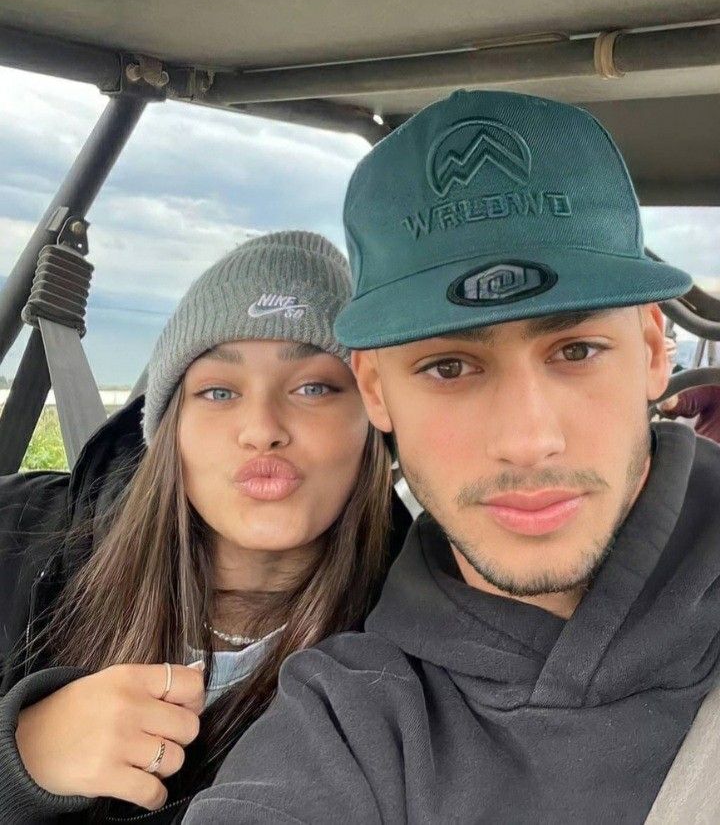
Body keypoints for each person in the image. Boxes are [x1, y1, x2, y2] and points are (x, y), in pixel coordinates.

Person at [184, 91, 720, 825]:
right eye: (449, 367)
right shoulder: (352, 721)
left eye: (576, 350)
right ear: (375, 389)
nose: (529, 440)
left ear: (654, 350)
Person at [0, 231, 404, 824]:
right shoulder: (18, 538)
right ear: (170, 428)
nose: (262, 428)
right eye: (218, 391)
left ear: (374, 425)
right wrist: (19, 760)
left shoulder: (427, 646)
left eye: (314, 387)